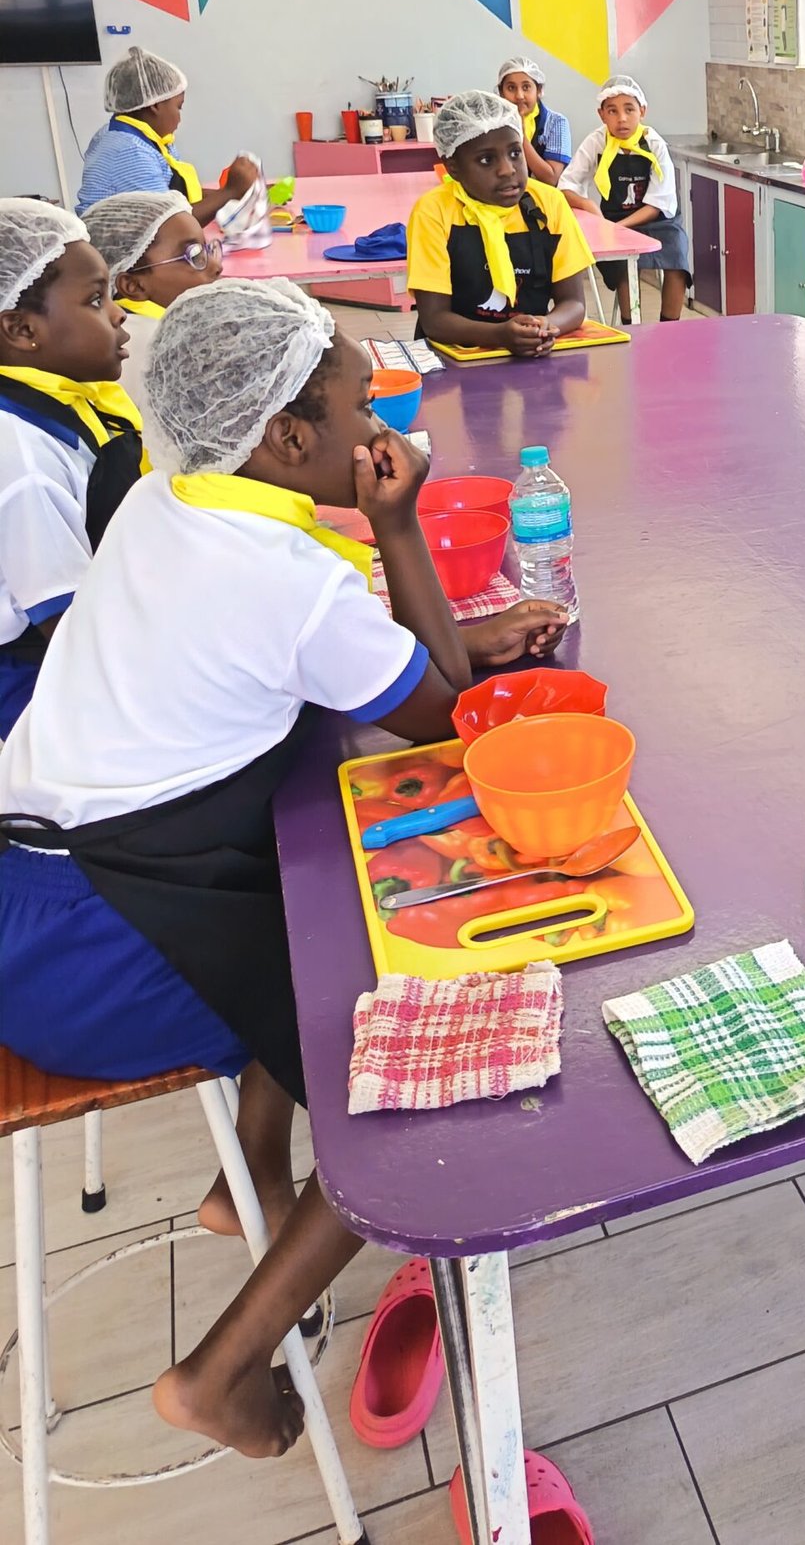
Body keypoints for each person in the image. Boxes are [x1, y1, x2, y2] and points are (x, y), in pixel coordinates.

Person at [0, 277, 567, 1458]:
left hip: (33, 895)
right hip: (97, 955)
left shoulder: (166, 500)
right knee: (403, 1059)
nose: (384, 431)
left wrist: (443, 637)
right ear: (288, 438)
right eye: (364, 410)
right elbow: (446, 719)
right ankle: (220, 1370)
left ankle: (251, 1176)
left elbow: (311, 657)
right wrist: (400, 526)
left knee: (320, 903)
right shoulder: (289, 579)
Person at [0, 201, 142, 737]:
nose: (118, 314)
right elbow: (70, 630)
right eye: (95, 299)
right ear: (21, 329)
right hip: (35, 678)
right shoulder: (24, 459)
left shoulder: (67, 401)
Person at [406, 90, 594, 358]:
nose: (507, 169)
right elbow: (434, 320)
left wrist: (545, 327)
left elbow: (573, 303)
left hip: (532, 355)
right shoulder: (434, 211)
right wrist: (499, 335)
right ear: (453, 168)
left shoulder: (549, 204)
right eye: (486, 160)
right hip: (452, 359)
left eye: (515, 153)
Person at [77, 47, 260, 226]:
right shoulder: (129, 152)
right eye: (179, 107)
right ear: (155, 105)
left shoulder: (142, 137)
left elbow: (178, 197)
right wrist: (230, 191)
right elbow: (173, 225)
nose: (180, 117)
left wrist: (239, 194)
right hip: (119, 245)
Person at [562, 76, 691, 323]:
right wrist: (588, 205)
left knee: (677, 261)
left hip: (658, 220)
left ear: (642, 111)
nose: (621, 118)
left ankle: (669, 327)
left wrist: (618, 228)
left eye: (629, 109)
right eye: (613, 111)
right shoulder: (596, 142)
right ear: (601, 115)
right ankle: (632, 325)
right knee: (623, 266)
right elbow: (566, 186)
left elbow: (657, 205)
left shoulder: (654, 144)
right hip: (615, 217)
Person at [82, 190, 221, 409]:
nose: (216, 266)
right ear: (134, 286)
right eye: (194, 255)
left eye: (207, 249)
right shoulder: (166, 347)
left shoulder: (122, 326)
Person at [497, 55, 571, 187]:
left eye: (526, 87)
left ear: (539, 90)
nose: (519, 96)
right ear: (501, 93)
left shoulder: (556, 122)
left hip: (541, 197)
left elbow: (551, 179)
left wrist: (521, 135)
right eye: (511, 88)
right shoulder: (492, 122)